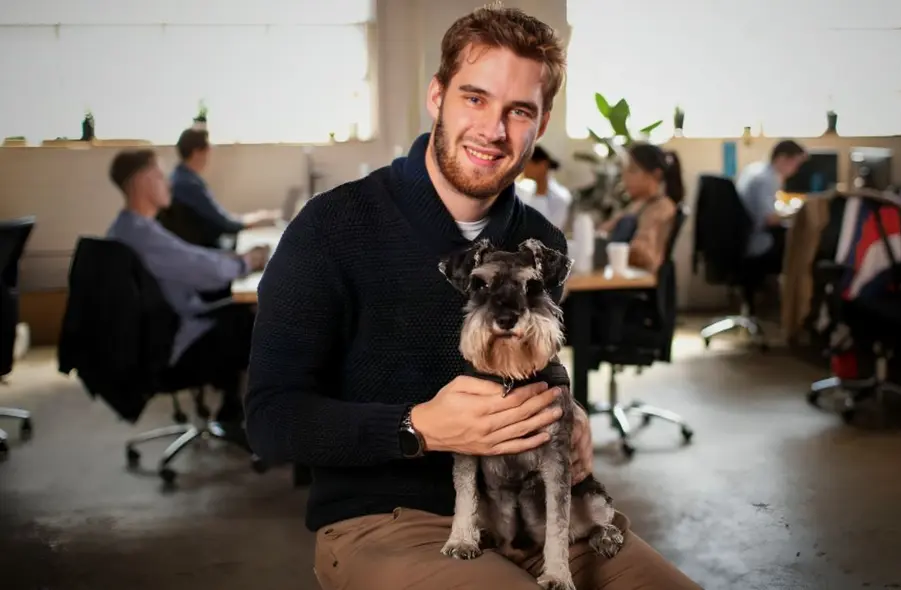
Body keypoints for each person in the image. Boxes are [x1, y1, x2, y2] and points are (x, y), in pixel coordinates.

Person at [244, 5, 700, 590]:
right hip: (389, 520)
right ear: (438, 95)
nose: (493, 130)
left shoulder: (543, 242)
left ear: (542, 122)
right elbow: (269, 418)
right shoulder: (332, 226)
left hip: (534, 515)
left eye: (519, 111)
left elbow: (535, 368)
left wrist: (571, 413)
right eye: (475, 98)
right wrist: (417, 428)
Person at [106, 149, 269, 426]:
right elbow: (205, 272)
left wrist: (233, 258)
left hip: (159, 334)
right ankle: (257, 421)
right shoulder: (142, 235)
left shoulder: (128, 227)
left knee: (240, 311)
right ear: (143, 181)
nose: (168, 183)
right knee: (262, 322)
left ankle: (232, 410)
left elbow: (189, 257)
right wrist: (247, 262)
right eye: (160, 175)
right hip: (176, 343)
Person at [162, 128, 280, 248]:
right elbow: (225, 223)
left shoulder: (180, 177)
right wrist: (259, 218)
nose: (209, 156)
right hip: (209, 250)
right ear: (197, 152)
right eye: (208, 150)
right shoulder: (189, 185)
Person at [598, 143, 685, 273]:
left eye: (632, 170)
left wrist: (613, 251)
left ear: (656, 175)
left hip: (635, 283)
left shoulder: (661, 208)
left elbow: (644, 256)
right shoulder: (638, 205)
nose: (624, 176)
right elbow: (603, 230)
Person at [734, 139, 807, 273]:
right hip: (755, 239)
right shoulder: (768, 179)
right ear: (782, 158)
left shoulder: (754, 169)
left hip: (739, 237)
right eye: (795, 165)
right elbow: (770, 219)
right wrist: (798, 213)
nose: (795, 171)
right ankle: (791, 291)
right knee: (801, 245)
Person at [517, 144, 572, 230]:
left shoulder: (560, 197)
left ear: (543, 165)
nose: (524, 168)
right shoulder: (525, 190)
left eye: (528, 163)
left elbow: (552, 229)